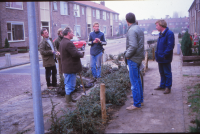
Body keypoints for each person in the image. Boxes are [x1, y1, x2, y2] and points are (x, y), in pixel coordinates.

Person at [124, 12, 144, 110]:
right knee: (138, 80)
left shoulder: (131, 30)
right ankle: (140, 100)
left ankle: (136, 104)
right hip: (139, 57)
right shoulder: (138, 28)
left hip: (133, 58)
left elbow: (133, 46)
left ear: (127, 21)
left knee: (134, 82)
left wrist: (127, 55)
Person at [59, 27, 84, 105]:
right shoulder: (68, 43)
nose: (73, 34)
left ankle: (70, 99)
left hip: (67, 67)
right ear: (69, 33)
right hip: (70, 68)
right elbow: (75, 54)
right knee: (70, 84)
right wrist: (81, 54)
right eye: (72, 33)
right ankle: (69, 102)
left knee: (69, 83)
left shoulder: (62, 42)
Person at [154, 19, 175, 94]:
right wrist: (157, 55)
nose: (156, 27)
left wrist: (164, 55)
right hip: (160, 58)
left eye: (157, 25)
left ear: (161, 25)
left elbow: (170, 46)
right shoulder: (161, 34)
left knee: (167, 73)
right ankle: (162, 85)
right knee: (162, 72)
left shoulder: (169, 33)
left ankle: (168, 87)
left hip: (165, 58)